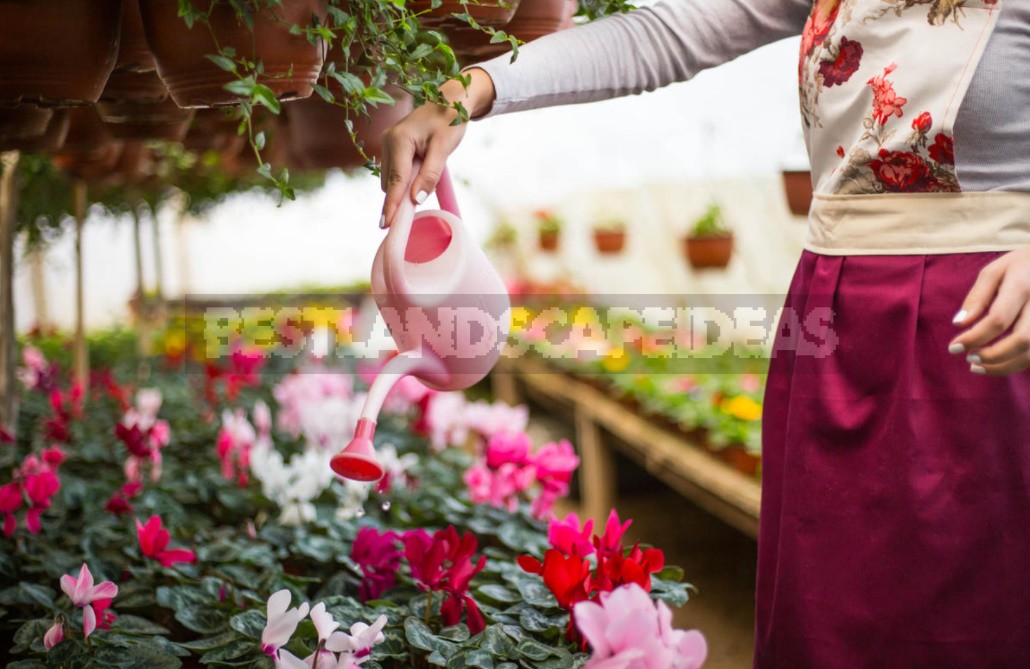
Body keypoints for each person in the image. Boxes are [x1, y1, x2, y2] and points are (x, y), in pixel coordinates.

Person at [379, 1, 1030, 667]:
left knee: (976, 620)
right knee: (830, 625)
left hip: (984, 332)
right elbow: (671, 31)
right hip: (837, 329)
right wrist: (471, 90)